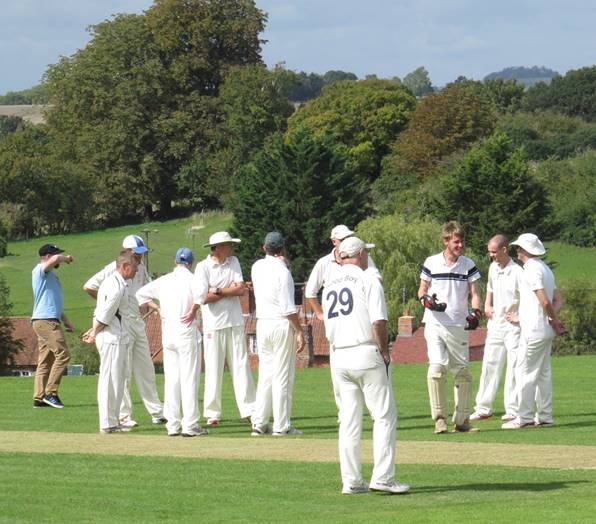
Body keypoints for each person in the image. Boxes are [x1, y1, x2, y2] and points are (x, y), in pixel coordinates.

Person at [323, 236, 409, 495]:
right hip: (365, 350)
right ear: (360, 254)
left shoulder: (329, 284)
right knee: (384, 415)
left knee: (348, 420)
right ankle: (383, 476)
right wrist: (384, 350)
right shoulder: (368, 278)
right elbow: (379, 321)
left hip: (338, 354)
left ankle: (351, 480)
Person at [83, 235, 165, 428]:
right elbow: (89, 286)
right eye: (137, 255)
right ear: (127, 252)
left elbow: (144, 294)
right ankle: (123, 415)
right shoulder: (114, 269)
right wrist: (111, 307)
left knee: (145, 367)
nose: (140, 259)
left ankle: (157, 411)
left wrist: (157, 307)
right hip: (118, 324)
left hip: (135, 322)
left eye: (141, 255)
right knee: (122, 370)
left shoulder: (140, 268)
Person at [418, 221, 482, 434]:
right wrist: (427, 302)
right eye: (456, 241)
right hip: (435, 322)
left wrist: (476, 312)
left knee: (462, 373)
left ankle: (462, 421)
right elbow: (421, 291)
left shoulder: (468, 264)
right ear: (446, 241)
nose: (460, 245)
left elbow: (475, 292)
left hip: (457, 324)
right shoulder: (432, 262)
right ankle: (439, 419)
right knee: (436, 370)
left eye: (462, 241)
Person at [136, 248, 207, 437]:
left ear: (176, 262)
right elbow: (202, 295)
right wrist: (193, 310)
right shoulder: (193, 279)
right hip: (186, 334)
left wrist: (158, 308)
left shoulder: (164, 280)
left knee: (172, 380)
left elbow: (141, 295)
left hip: (169, 335)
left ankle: (173, 424)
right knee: (189, 379)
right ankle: (190, 425)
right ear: (190, 263)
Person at [502, 233, 565, 430]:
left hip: (534, 331)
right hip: (543, 329)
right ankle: (545, 416)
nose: (517, 252)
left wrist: (553, 320)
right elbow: (557, 300)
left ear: (526, 251)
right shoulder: (545, 269)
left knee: (524, 372)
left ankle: (525, 417)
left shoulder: (530, 270)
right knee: (543, 373)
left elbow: (545, 301)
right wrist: (551, 320)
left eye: (519, 248)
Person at [194, 231, 256, 426]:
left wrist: (218, 290)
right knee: (213, 368)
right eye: (229, 245)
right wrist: (226, 290)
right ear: (219, 247)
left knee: (241, 366)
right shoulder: (203, 267)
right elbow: (203, 297)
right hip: (213, 324)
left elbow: (240, 289)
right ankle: (213, 413)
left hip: (235, 321)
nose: (232, 247)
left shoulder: (234, 261)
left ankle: (250, 410)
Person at [250, 232, 305, 436]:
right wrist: (299, 331)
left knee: (266, 374)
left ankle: (260, 422)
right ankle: (282, 426)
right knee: (283, 376)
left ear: (265, 248)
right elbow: (288, 309)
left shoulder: (257, 267)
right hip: (281, 324)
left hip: (262, 323)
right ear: (282, 249)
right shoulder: (283, 273)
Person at [82, 252, 139, 433]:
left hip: (118, 337)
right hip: (111, 338)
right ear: (125, 266)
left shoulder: (116, 282)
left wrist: (94, 330)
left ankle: (113, 421)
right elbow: (106, 313)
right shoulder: (116, 286)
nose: (137, 271)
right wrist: (94, 332)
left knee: (119, 380)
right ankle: (107, 423)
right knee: (109, 381)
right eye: (135, 267)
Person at [470, 235, 523, 422]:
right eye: (489, 251)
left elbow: (527, 298)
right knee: (489, 365)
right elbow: (490, 289)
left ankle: (513, 409)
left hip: (513, 327)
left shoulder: (518, 272)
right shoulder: (493, 267)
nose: (491, 255)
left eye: (494, 252)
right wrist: (487, 305)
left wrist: (519, 316)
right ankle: (483, 408)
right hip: (495, 325)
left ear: (504, 250)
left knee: (514, 367)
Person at [31, 244, 74, 409]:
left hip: (47, 320)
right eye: (56, 255)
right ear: (47, 256)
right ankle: (51, 393)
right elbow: (56, 259)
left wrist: (67, 321)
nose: (59, 258)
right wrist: (66, 258)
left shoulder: (51, 276)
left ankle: (39, 397)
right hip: (46, 321)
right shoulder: (41, 270)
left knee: (46, 361)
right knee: (63, 355)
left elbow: (53, 302)